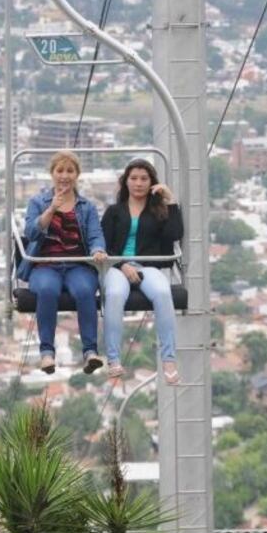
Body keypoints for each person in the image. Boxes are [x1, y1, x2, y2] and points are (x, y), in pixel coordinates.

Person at [18, 150, 108, 374]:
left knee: (85, 290)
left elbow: (96, 235)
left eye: (70, 171)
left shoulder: (86, 206)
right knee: (48, 290)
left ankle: (90, 351)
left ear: (77, 174)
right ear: (52, 174)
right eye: (60, 171)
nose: (65, 176)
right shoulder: (38, 202)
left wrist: (97, 250)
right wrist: (51, 210)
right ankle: (47, 352)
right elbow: (30, 232)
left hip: (77, 264)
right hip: (46, 263)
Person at [100, 159, 184, 384]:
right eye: (134, 178)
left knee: (163, 293)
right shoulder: (114, 212)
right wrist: (122, 265)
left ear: (152, 183)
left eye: (144, 179)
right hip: (118, 266)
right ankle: (114, 358)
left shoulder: (158, 211)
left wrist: (170, 200)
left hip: (149, 265)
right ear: (126, 182)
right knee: (115, 295)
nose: (138, 183)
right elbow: (103, 245)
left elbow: (174, 233)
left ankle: (168, 358)